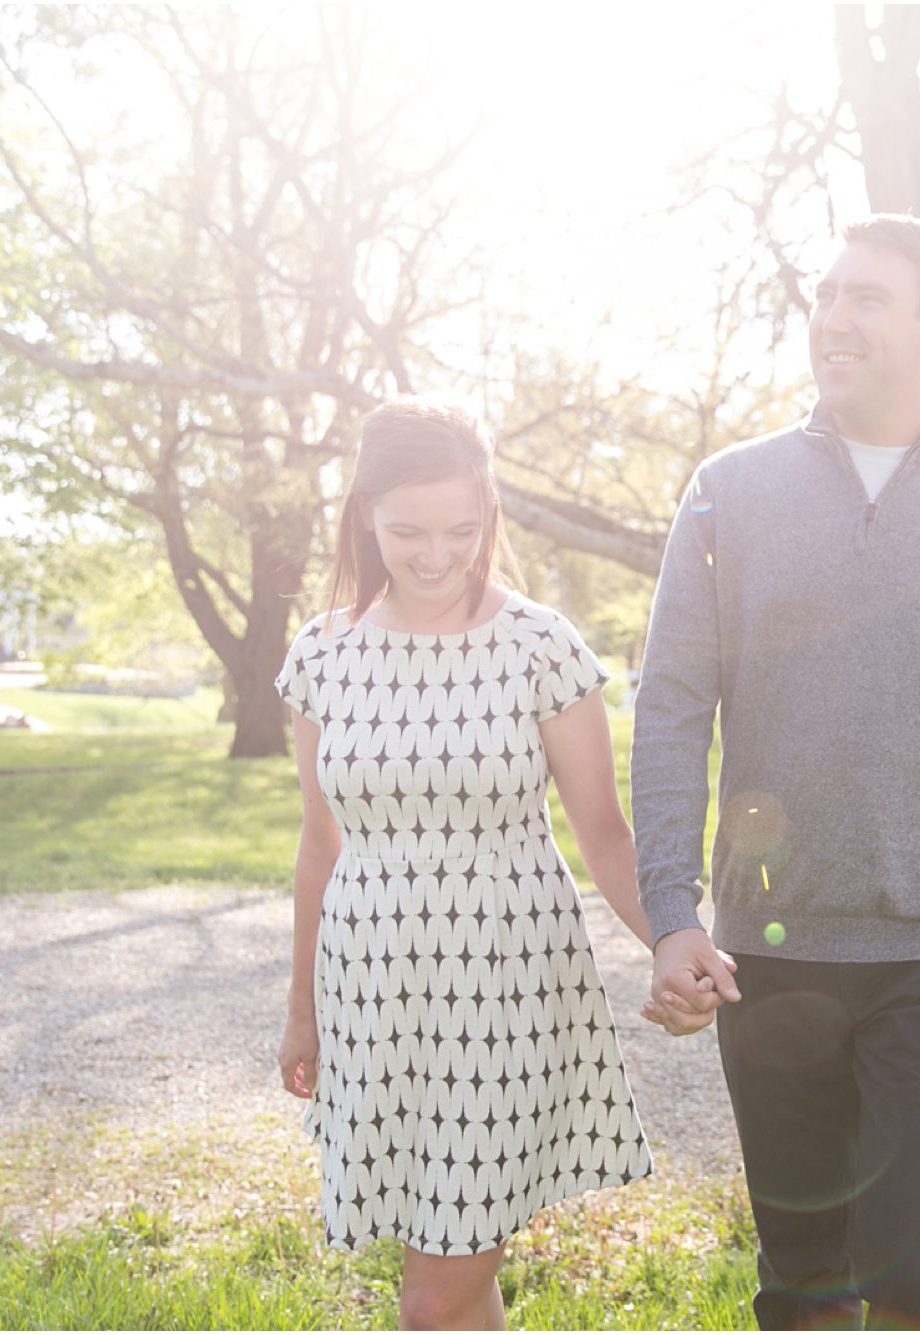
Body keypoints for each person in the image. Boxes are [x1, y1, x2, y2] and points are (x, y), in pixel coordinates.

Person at [631, 214, 920, 1330]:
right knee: (801, 1280)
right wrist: (669, 913)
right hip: (771, 953)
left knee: (916, 1274)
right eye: (826, 295)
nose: (834, 319)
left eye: (867, 298)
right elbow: (670, 711)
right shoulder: (727, 492)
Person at [274, 399, 655, 1331]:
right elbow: (320, 845)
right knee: (449, 1262)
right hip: (370, 988)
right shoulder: (321, 655)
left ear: (488, 512)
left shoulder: (540, 643)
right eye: (407, 529)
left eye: (461, 528)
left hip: (505, 986)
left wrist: (682, 940)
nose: (436, 554)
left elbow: (604, 832)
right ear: (365, 514)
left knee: (436, 1288)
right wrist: (302, 1009)